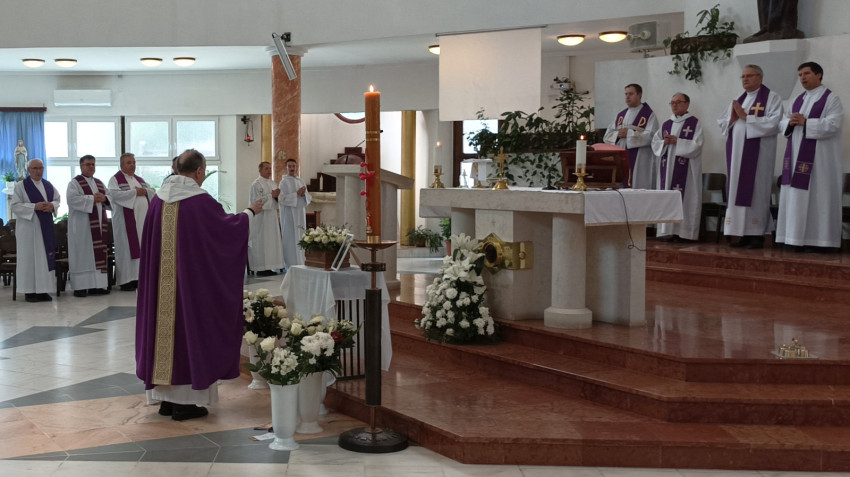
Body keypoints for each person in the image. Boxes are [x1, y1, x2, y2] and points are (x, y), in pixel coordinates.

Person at [135, 148, 263, 421]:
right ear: (199, 171)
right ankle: (184, 404)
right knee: (188, 333)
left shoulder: (158, 200)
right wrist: (250, 212)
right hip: (189, 290)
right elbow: (226, 231)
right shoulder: (199, 202)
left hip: (161, 291)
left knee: (164, 334)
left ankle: (166, 400)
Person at [776, 61, 845, 252]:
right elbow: (782, 123)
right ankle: (795, 238)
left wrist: (806, 123)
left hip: (821, 161)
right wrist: (789, 122)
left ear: (819, 74)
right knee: (796, 197)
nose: (802, 78)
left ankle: (821, 241)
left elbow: (834, 124)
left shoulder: (831, 99)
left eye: (806, 73)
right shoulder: (797, 100)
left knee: (819, 197)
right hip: (795, 157)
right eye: (800, 75)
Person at [717, 64, 783, 249]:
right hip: (736, 155)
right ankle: (741, 233)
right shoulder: (739, 99)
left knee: (756, 191)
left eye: (749, 76)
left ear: (760, 77)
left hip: (759, 156)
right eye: (743, 76)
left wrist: (747, 117)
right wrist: (732, 119)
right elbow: (723, 122)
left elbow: (775, 123)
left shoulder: (771, 98)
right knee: (737, 191)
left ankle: (756, 235)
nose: (745, 79)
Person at [651, 93, 704, 242]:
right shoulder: (666, 124)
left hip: (686, 172)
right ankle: (667, 231)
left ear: (687, 104)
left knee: (686, 200)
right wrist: (664, 143)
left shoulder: (694, 123)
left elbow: (697, 145)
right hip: (667, 169)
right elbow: (655, 143)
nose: (674, 105)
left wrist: (678, 142)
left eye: (678, 102)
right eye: (672, 102)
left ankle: (684, 233)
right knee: (667, 199)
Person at [10, 159, 60, 302]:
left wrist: (51, 205)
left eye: (41, 168)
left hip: (45, 229)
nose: (38, 171)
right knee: (29, 259)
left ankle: (43, 290)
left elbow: (57, 199)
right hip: (28, 229)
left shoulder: (48, 185)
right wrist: (34, 207)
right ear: (28, 170)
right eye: (35, 168)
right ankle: (29, 291)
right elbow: (15, 206)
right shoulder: (21, 186)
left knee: (44, 258)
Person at [107, 152, 155, 291]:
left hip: (142, 221)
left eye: (134, 162)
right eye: (129, 162)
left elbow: (152, 191)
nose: (132, 165)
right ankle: (126, 280)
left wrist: (145, 192)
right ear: (121, 165)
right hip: (124, 223)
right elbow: (114, 195)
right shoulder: (115, 179)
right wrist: (135, 193)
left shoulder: (139, 179)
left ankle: (139, 278)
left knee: (141, 247)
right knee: (126, 250)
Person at [66, 155, 110, 297]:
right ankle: (80, 287)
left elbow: (110, 198)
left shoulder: (99, 183)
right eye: (88, 164)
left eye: (93, 164)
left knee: (97, 255)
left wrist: (105, 198)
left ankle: (97, 286)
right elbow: (72, 200)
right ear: (81, 166)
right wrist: (92, 198)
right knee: (82, 256)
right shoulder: (75, 183)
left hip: (98, 227)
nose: (91, 167)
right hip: (82, 228)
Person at [603, 84, 659, 189]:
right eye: (626, 94)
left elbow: (651, 136)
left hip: (640, 158)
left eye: (631, 94)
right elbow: (607, 136)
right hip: (621, 157)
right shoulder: (621, 115)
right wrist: (617, 135)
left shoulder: (648, 115)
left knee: (638, 186)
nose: (627, 97)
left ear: (640, 95)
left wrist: (629, 134)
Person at [248, 161, 284, 276]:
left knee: (271, 241)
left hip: (272, 216)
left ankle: (270, 266)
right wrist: (271, 196)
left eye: (270, 168)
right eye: (266, 168)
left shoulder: (273, 183)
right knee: (261, 241)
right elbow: (256, 201)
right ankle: (260, 268)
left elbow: (279, 200)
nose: (269, 171)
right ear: (260, 171)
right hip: (260, 217)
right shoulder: (256, 184)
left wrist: (277, 197)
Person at [279, 158, 311, 269]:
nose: (292, 168)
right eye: (290, 166)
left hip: (300, 213)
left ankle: (301, 262)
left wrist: (304, 195)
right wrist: (296, 194)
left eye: (294, 166)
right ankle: (290, 264)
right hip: (289, 215)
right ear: (286, 168)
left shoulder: (301, 181)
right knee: (290, 238)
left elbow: (308, 197)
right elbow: (281, 199)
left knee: (300, 235)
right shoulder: (283, 182)